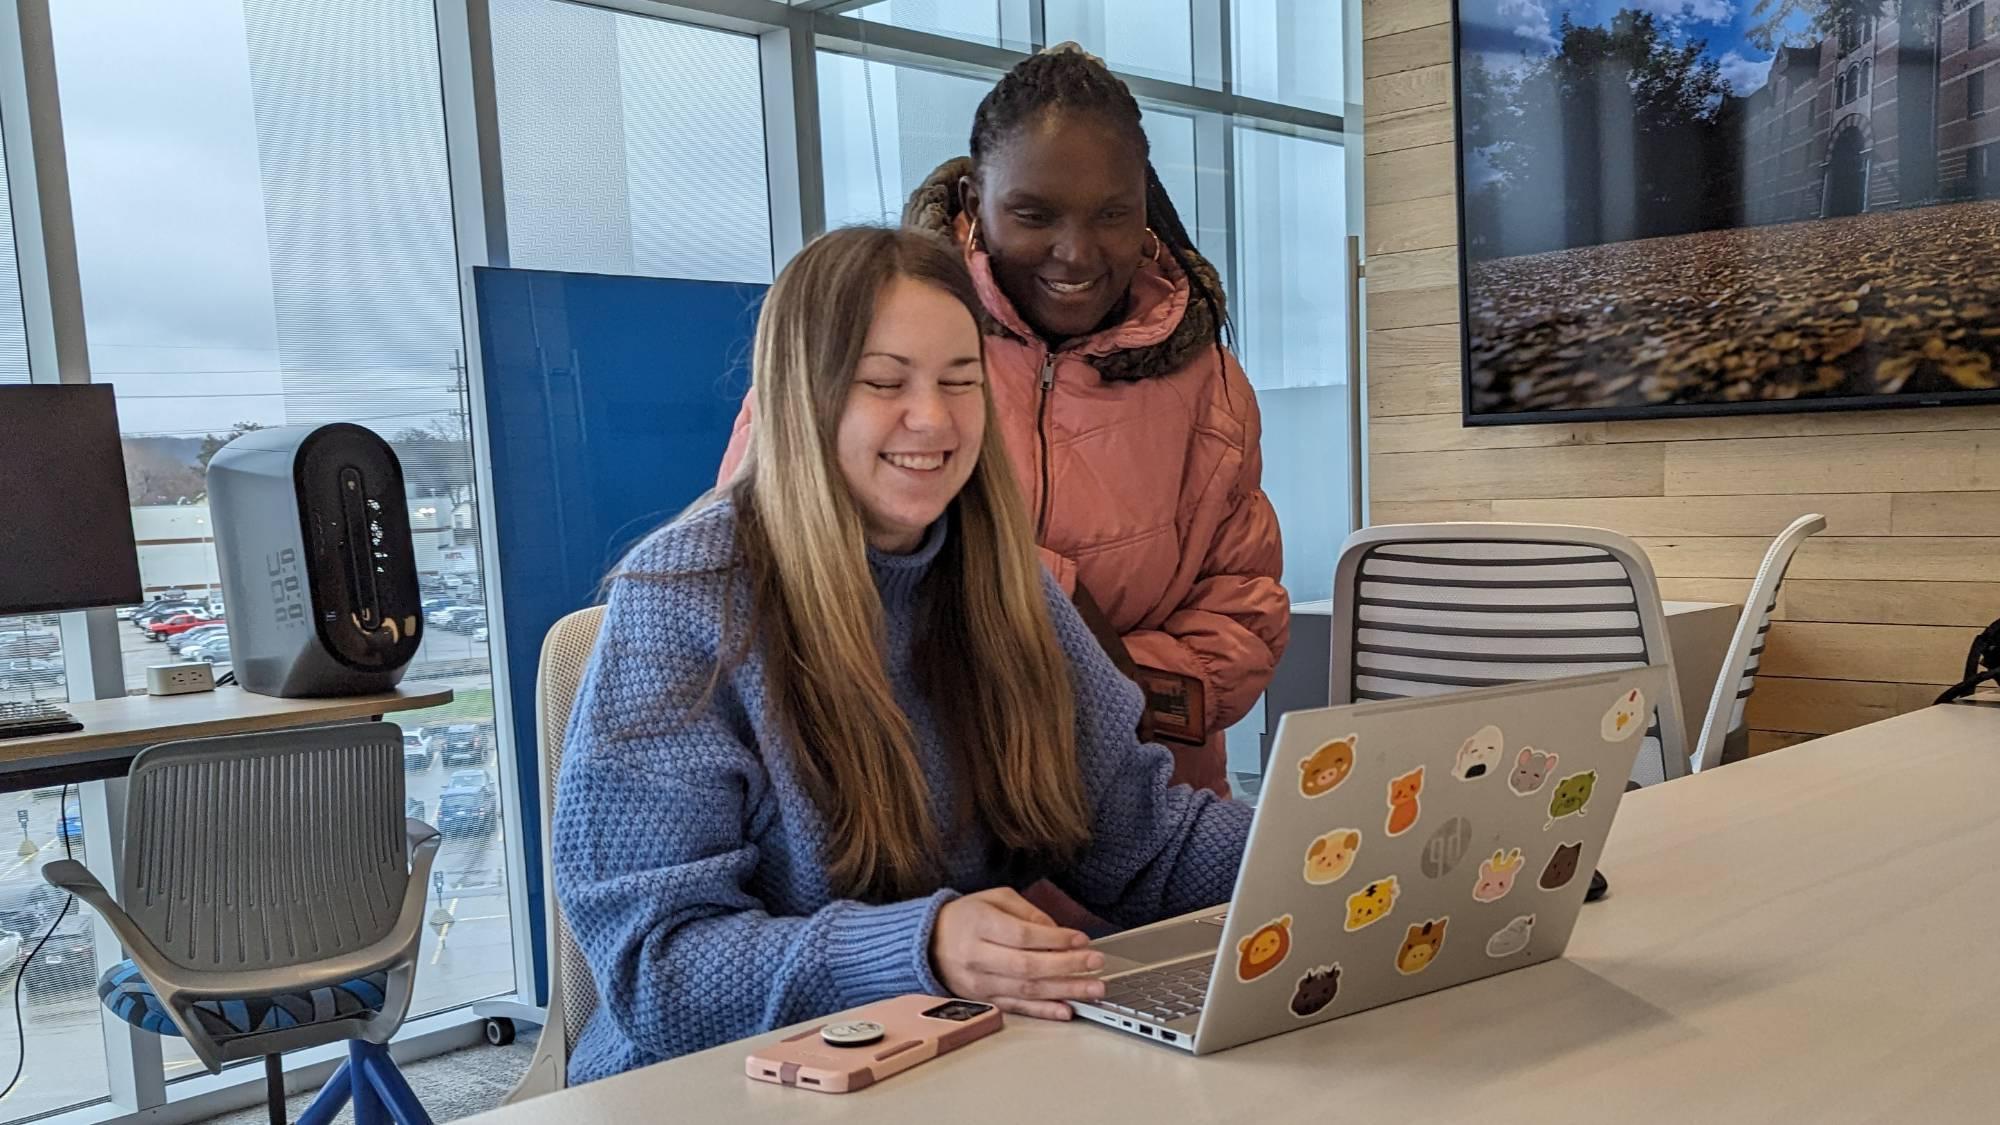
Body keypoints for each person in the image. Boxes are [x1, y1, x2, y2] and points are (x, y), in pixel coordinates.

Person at [554, 227, 1252, 1083]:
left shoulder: (1006, 582)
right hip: (707, 1088)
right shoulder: (684, 597)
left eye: (961, 381)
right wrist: (921, 945)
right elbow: (655, 969)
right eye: (884, 382)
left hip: (938, 1072)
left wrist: (1325, 842)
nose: (933, 417)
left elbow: (1138, 842)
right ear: (802, 396)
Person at [719, 45, 1288, 796]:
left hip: (1140, 814)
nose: (1077, 253)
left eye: (1113, 214)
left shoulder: (1210, 384)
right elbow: (768, 561)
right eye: (1033, 214)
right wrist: (1042, 593)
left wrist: (1100, 684)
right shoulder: (851, 339)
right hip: (914, 822)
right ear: (974, 199)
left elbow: (1241, 620)